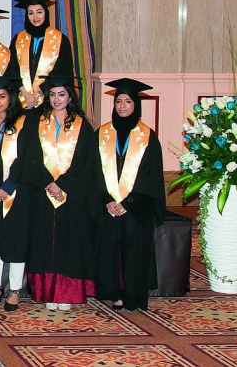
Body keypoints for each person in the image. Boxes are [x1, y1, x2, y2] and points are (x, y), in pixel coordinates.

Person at [23, 74, 99, 311]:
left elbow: (85, 162)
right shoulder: (36, 121)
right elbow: (30, 156)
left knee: (69, 241)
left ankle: (67, 292)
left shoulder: (82, 126)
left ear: (70, 96)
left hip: (72, 195)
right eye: (52, 94)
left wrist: (63, 183)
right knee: (43, 240)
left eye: (62, 94)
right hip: (42, 193)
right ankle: (46, 291)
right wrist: (47, 182)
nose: (56, 99)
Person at [95, 78, 166, 311]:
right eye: (118, 101)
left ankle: (132, 294)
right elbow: (93, 170)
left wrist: (130, 202)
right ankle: (115, 292)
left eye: (127, 101)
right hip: (108, 207)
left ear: (136, 104)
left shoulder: (148, 136)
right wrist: (107, 199)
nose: (122, 106)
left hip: (136, 208)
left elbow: (150, 174)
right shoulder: (102, 134)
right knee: (111, 247)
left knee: (134, 249)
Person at [0, 76, 36, 312]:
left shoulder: (25, 122)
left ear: (11, 98)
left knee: (15, 240)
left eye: (2, 97)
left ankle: (14, 289)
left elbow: (27, 158)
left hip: (17, 191)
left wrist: (8, 186)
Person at [10, 0, 75, 109]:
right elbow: (12, 70)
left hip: (49, 101)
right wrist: (25, 94)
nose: (35, 17)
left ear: (45, 13)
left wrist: (37, 95)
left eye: (39, 12)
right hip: (21, 101)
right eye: (31, 13)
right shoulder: (18, 39)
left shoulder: (60, 40)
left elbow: (62, 71)